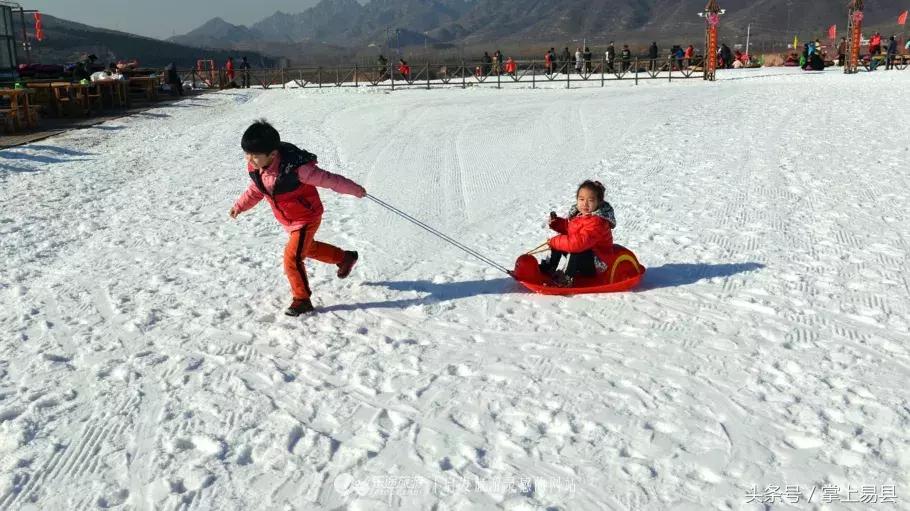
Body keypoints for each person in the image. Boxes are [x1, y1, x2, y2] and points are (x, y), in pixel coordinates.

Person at [229, 121, 366, 316]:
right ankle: (345, 258)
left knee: (292, 257)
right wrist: (239, 206)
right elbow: (256, 190)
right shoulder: (257, 168)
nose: (249, 159)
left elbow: (329, 180)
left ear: (273, 154)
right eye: (247, 154)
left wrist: (355, 189)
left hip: (306, 217)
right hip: (288, 220)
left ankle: (302, 299)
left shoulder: (297, 169)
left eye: (254, 155)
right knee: (307, 248)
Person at [538, 180, 615, 287]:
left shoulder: (597, 222)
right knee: (562, 242)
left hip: (598, 263)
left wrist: (555, 241)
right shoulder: (580, 214)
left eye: (590, 200)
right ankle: (550, 268)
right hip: (586, 256)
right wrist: (557, 223)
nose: (585, 204)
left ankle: (566, 278)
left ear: (599, 202)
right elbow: (571, 229)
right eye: (581, 199)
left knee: (575, 249)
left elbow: (579, 242)